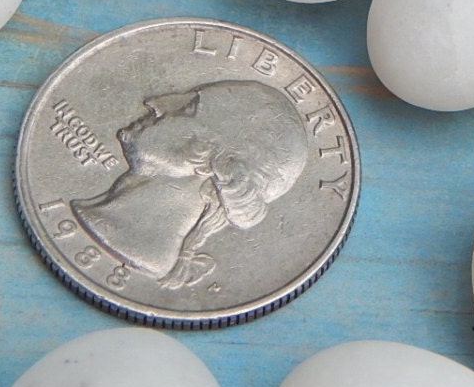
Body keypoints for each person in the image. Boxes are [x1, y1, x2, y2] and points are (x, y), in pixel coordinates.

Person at [72, 79, 308, 290]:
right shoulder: (101, 217)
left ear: (209, 154)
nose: (156, 103)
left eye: (190, 108)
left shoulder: (132, 245)